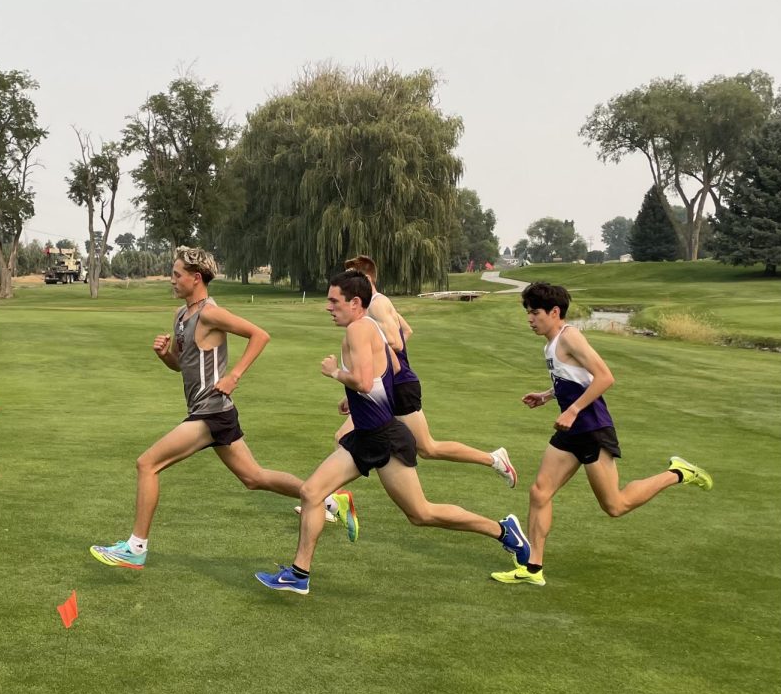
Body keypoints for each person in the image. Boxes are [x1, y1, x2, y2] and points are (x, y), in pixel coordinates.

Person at [258, 270, 529, 595]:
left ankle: (503, 531)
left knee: (421, 513)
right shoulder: (371, 326)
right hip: (365, 437)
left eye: (334, 300)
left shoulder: (359, 329)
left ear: (355, 302)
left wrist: (336, 373)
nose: (328, 307)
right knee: (312, 492)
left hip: (385, 440)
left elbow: (361, 379)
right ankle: (299, 575)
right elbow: (392, 370)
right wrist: (356, 399)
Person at [90, 247, 355, 570]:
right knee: (254, 477)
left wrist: (234, 375)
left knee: (147, 464)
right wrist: (165, 356)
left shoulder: (210, 314)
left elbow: (260, 335)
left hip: (211, 411)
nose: (172, 280)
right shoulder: (180, 316)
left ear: (195, 278)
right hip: (210, 411)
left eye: (176, 275)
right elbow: (182, 365)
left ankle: (136, 547)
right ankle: (328, 498)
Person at [491, 282, 712, 587]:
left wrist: (573, 410)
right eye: (528, 312)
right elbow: (575, 380)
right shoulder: (551, 342)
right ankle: (533, 569)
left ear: (555, 312)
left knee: (615, 506)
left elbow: (605, 377)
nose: (530, 319)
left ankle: (677, 473)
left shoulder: (570, 336)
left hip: (593, 429)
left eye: (535, 312)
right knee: (540, 492)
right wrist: (547, 396)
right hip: (570, 431)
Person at [294, 255, 516, 522]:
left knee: (427, 449)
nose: (347, 282)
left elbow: (398, 343)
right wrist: (358, 386)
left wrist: (350, 371)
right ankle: (332, 500)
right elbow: (406, 331)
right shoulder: (371, 311)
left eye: (352, 275)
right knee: (344, 435)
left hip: (399, 388)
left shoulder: (375, 307)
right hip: (385, 385)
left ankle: (493, 459)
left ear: (365, 280)